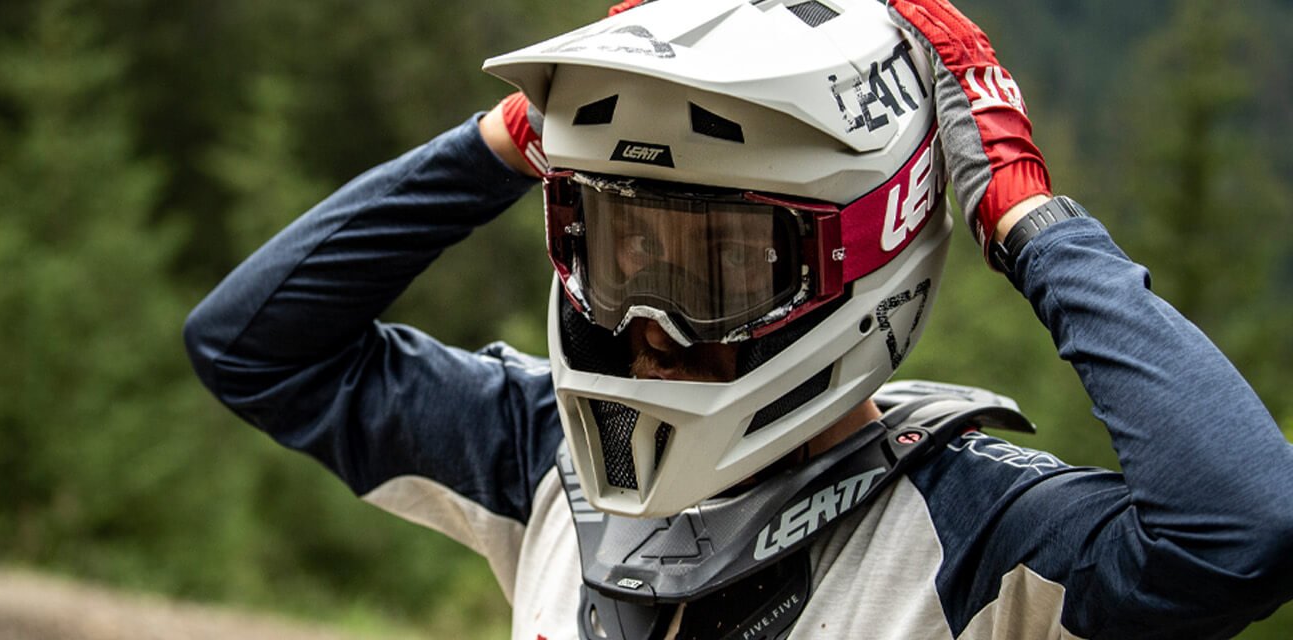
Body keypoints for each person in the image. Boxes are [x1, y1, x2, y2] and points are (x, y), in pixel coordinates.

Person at [184, 0, 1293, 637]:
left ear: (856, 263)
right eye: (622, 250)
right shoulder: (554, 456)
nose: (653, 319)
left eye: (720, 265)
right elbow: (252, 345)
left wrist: (1023, 213)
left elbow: (1244, 528)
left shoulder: (976, 543)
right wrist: (518, 135)